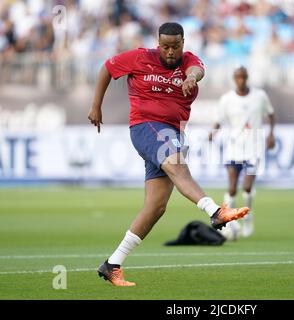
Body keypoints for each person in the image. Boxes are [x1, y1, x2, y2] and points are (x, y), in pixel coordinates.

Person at [88, 22, 250, 286]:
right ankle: (215, 211)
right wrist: (96, 105)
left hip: (172, 133)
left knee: (156, 207)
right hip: (145, 126)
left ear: (183, 43)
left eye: (175, 46)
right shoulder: (140, 57)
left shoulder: (189, 62)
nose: (170, 51)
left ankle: (112, 264)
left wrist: (190, 77)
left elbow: (198, 70)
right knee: (178, 166)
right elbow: (107, 67)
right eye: (165, 46)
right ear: (158, 43)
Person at [208, 66, 275, 238]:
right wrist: (213, 133)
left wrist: (271, 134)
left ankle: (248, 218)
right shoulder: (227, 99)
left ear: (247, 77)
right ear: (234, 79)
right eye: (238, 77)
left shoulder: (259, 96)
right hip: (234, 147)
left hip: (254, 148)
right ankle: (230, 221)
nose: (241, 80)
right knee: (231, 189)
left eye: (244, 77)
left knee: (246, 187)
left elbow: (271, 114)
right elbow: (219, 120)